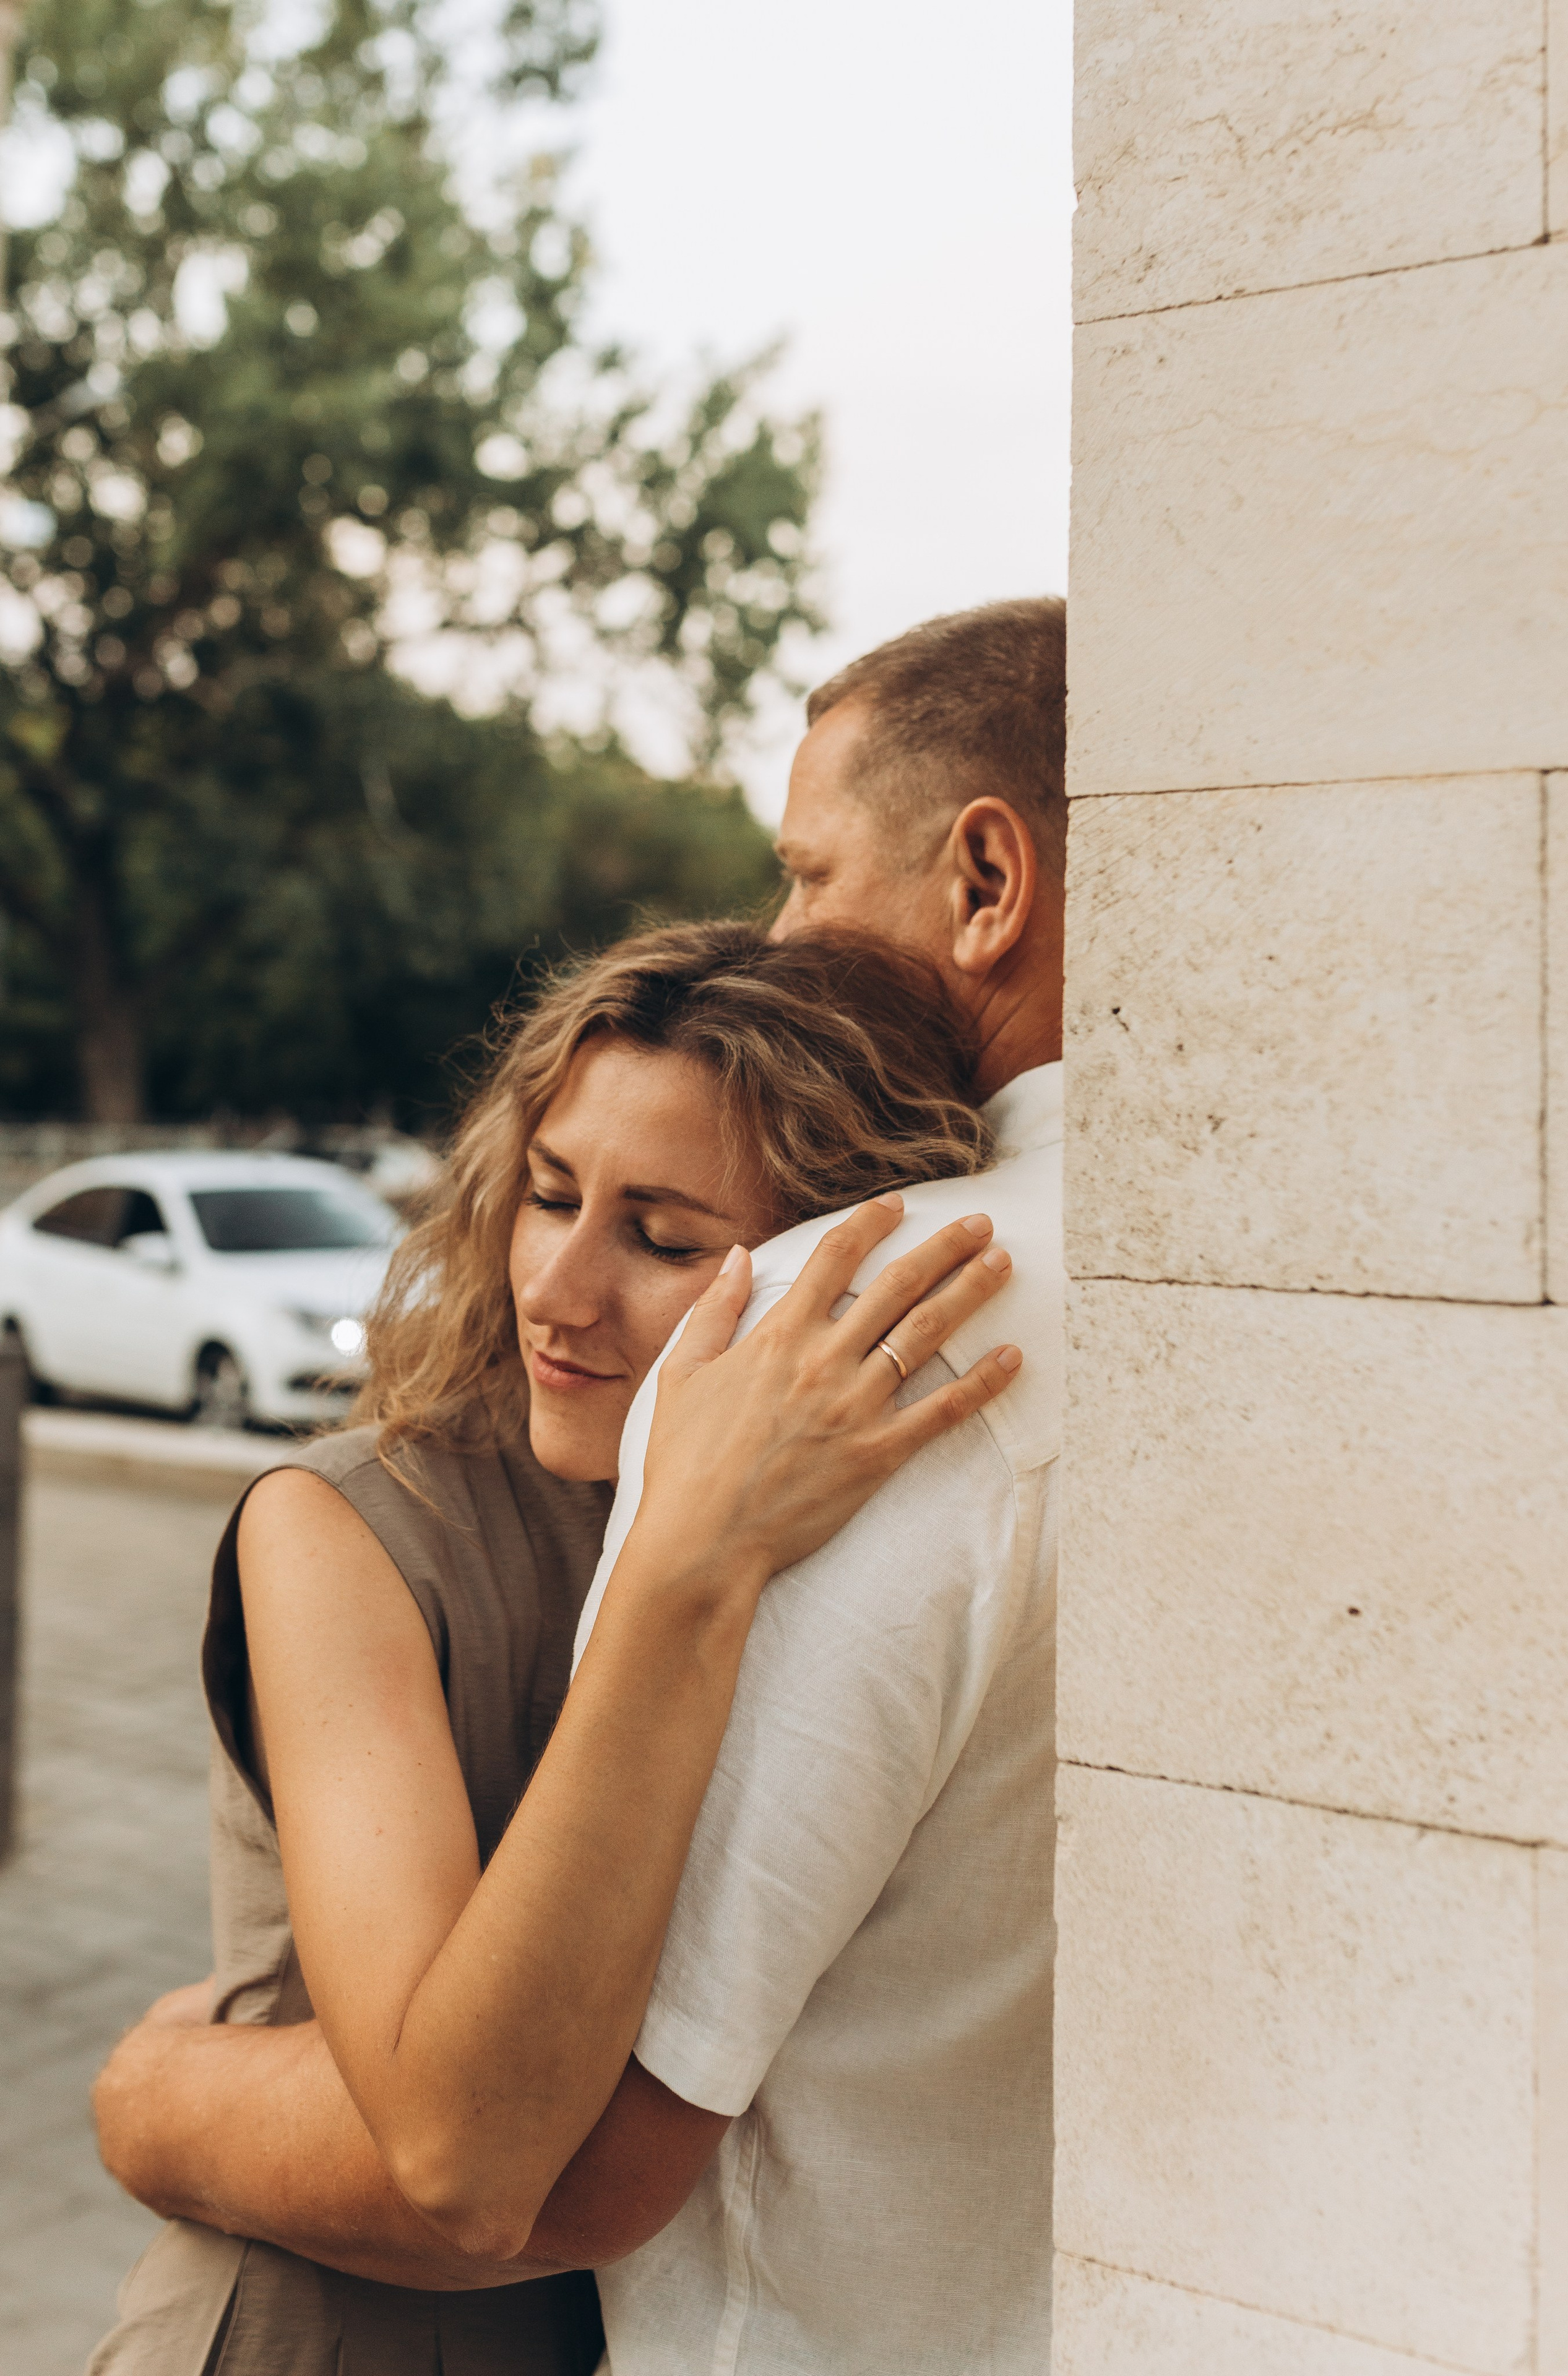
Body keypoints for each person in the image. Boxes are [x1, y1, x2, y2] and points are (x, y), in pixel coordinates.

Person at [95, 593, 1067, 2374]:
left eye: (670, 1237)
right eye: (550, 1195)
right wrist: (147, 2098)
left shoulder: (809, 1501)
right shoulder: (355, 1529)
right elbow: (458, 2151)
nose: (559, 1285)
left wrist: (167, 2100)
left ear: (794, 1269)